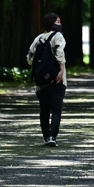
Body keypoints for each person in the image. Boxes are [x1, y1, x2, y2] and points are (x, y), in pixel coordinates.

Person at [27, 13, 67, 147]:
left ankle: (45, 136)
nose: (59, 23)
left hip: (41, 81)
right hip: (57, 79)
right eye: (57, 21)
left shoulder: (38, 39)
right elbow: (59, 54)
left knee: (44, 109)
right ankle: (52, 137)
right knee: (56, 109)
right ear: (51, 23)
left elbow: (29, 59)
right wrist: (61, 71)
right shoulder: (58, 36)